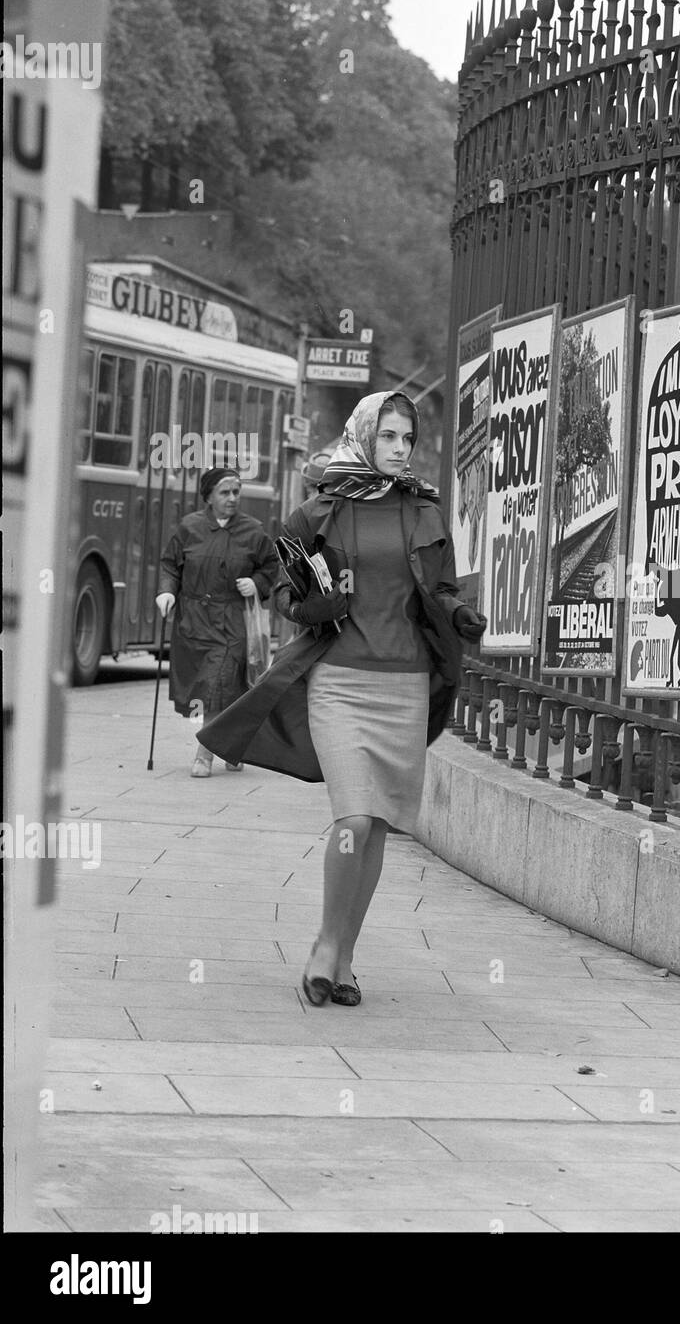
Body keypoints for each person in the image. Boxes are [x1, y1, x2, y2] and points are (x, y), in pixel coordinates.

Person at [196, 391, 486, 1008]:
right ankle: (326, 947)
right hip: (340, 683)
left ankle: (345, 958)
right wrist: (313, 607)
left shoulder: (425, 511)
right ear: (362, 436)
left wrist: (460, 615)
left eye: (407, 439)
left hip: (405, 684)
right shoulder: (314, 514)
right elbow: (286, 596)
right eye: (388, 437)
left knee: (378, 827)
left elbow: (441, 588)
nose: (400, 449)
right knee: (353, 817)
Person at [155, 467, 278, 777]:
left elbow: (271, 567)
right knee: (221, 690)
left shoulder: (254, 531)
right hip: (193, 622)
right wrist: (166, 593)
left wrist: (257, 583)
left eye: (237, 492)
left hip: (232, 623)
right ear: (208, 496)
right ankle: (232, 746)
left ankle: (204, 755)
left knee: (216, 685)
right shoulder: (189, 528)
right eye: (225, 492)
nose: (233, 498)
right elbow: (170, 566)